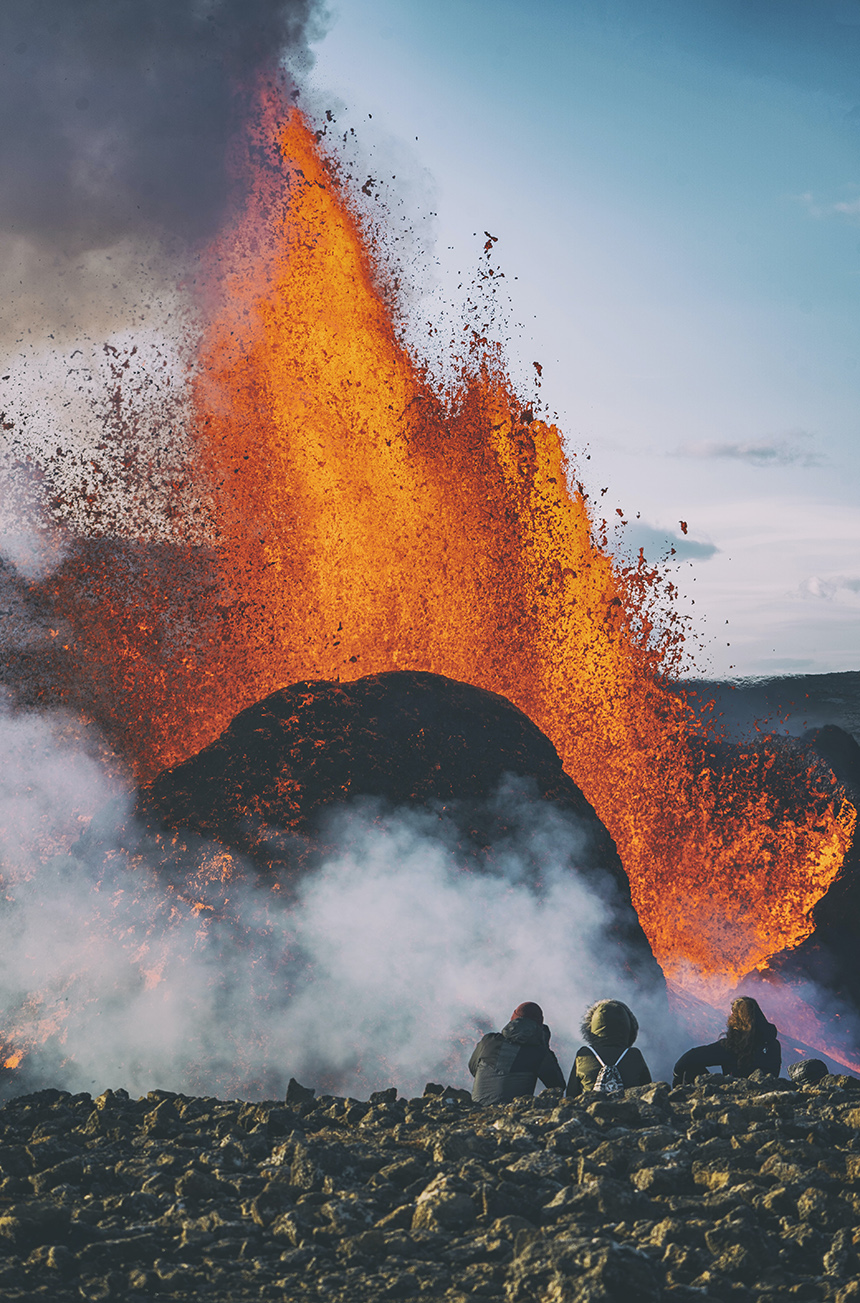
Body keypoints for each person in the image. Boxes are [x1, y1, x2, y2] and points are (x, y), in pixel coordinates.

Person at [469, 1002, 566, 1105]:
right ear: (539, 1025)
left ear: (513, 1019)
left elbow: (473, 1068)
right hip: (512, 1113)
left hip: (477, 1110)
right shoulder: (539, 1052)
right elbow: (558, 1085)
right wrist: (544, 1046)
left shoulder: (488, 1041)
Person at [672, 995, 781, 1085]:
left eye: (733, 1014)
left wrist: (676, 1078)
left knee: (691, 1069)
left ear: (737, 1020)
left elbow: (688, 1059)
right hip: (768, 1093)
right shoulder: (774, 1045)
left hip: (735, 1097)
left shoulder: (732, 1045)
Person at [566, 998, 651, 1097]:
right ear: (628, 1026)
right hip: (627, 1110)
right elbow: (648, 1092)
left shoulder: (584, 1054)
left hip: (592, 1110)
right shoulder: (633, 1055)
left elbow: (571, 1094)